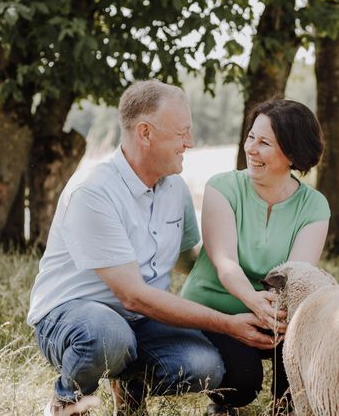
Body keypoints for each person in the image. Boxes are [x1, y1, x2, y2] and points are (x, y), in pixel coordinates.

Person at [27, 80, 279, 416]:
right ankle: (68, 401)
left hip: (139, 320)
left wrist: (247, 281)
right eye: (182, 132)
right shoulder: (94, 192)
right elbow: (132, 295)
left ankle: (128, 391)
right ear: (145, 133)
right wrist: (228, 323)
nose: (189, 142)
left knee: (204, 366)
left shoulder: (174, 188)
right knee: (108, 337)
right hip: (72, 316)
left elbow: (188, 259)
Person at [180, 99, 330, 415]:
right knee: (243, 383)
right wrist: (254, 301)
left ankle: (288, 407)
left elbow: (295, 275)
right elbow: (225, 262)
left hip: (273, 312)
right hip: (215, 311)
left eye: (264, 143)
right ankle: (223, 405)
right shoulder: (222, 187)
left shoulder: (314, 206)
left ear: (291, 153)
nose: (251, 149)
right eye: (251, 137)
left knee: (304, 350)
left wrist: (275, 314)